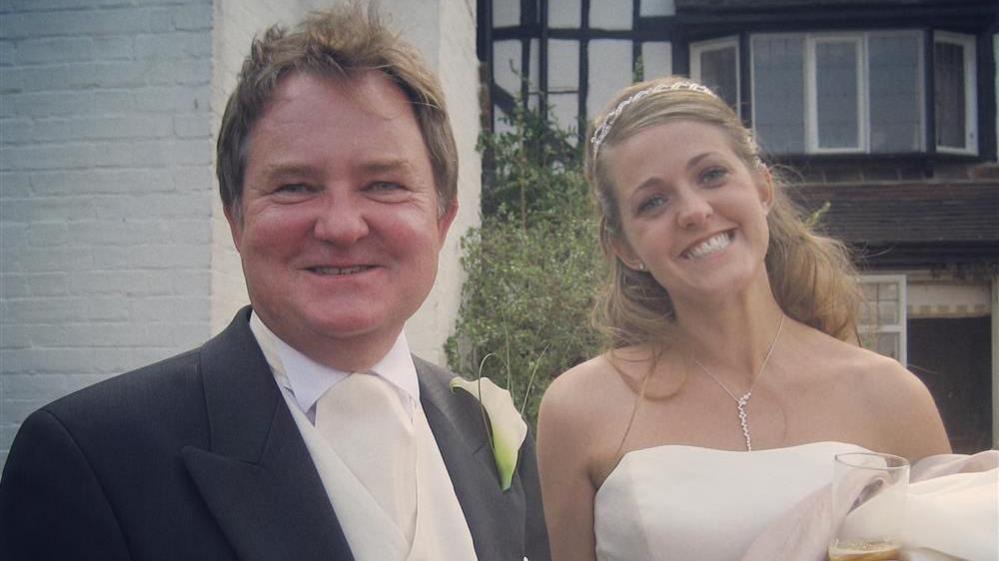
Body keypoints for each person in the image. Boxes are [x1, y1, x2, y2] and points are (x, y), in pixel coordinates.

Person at [0, 7, 549, 561]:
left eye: (383, 184)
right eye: (293, 187)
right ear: (235, 218)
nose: (340, 226)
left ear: (442, 219)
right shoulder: (88, 459)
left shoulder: (488, 431)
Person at [536, 76, 950, 561]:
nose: (693, 211)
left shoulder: (890, 397)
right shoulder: (579, 409)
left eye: (711, 175)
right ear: (624, 247)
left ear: (763, 189)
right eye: (653, 202)